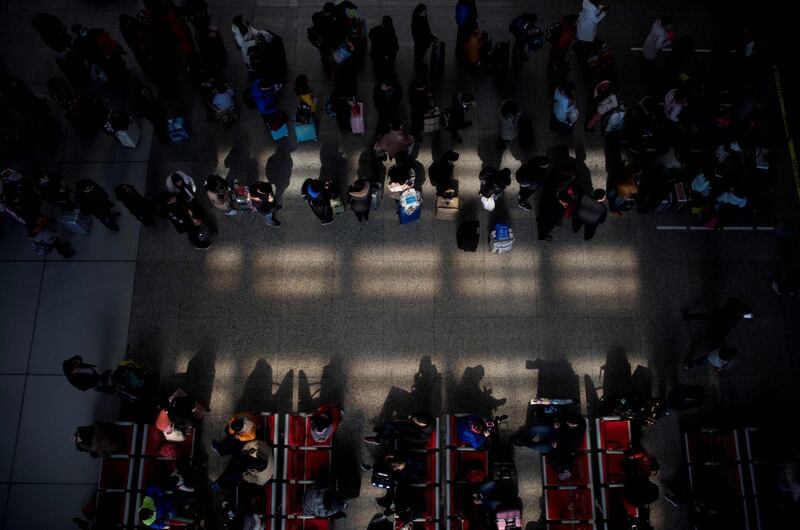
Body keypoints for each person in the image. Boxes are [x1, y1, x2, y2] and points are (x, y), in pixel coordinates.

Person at [682, 297, 753, 344]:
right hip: (720, 320)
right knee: (705, 319)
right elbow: (729, 326)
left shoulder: (735, 305)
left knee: (703, 316)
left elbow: (731, 300)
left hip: (718, 315)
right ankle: (687, 317)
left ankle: (688, 316)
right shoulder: (735, 317)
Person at [364, 412, 435, 447]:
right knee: (391, 424)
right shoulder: (425, 418)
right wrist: (412, 419)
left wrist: (400, 434)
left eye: (416, 421)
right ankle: (383, 430)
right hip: (409, 428)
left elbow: (411, 439)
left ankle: (378, 439)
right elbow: (414, 415)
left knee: (392, 431)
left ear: (420, 424)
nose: (414, 420)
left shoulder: (424, 435)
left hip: (406, 436)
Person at [411, 4, 434, 73]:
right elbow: (423, 33)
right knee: (420, 53)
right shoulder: (419, 20)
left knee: (420, 53)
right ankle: (419, 66)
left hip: (422, 41)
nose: (426, 12)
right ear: (420, 12)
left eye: (426, 10)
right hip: (421, 41)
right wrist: (430, 37)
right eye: (424, 10)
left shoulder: (421, 17)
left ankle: (419, 63)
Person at [408, 78, 430, 142]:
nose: (421, 90)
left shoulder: (422, 89)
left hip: (421, 107)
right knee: (416, 121)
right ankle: (416, 133)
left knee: (419, 120)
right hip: (416, 109)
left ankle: (418, 131)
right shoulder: (413, 93)